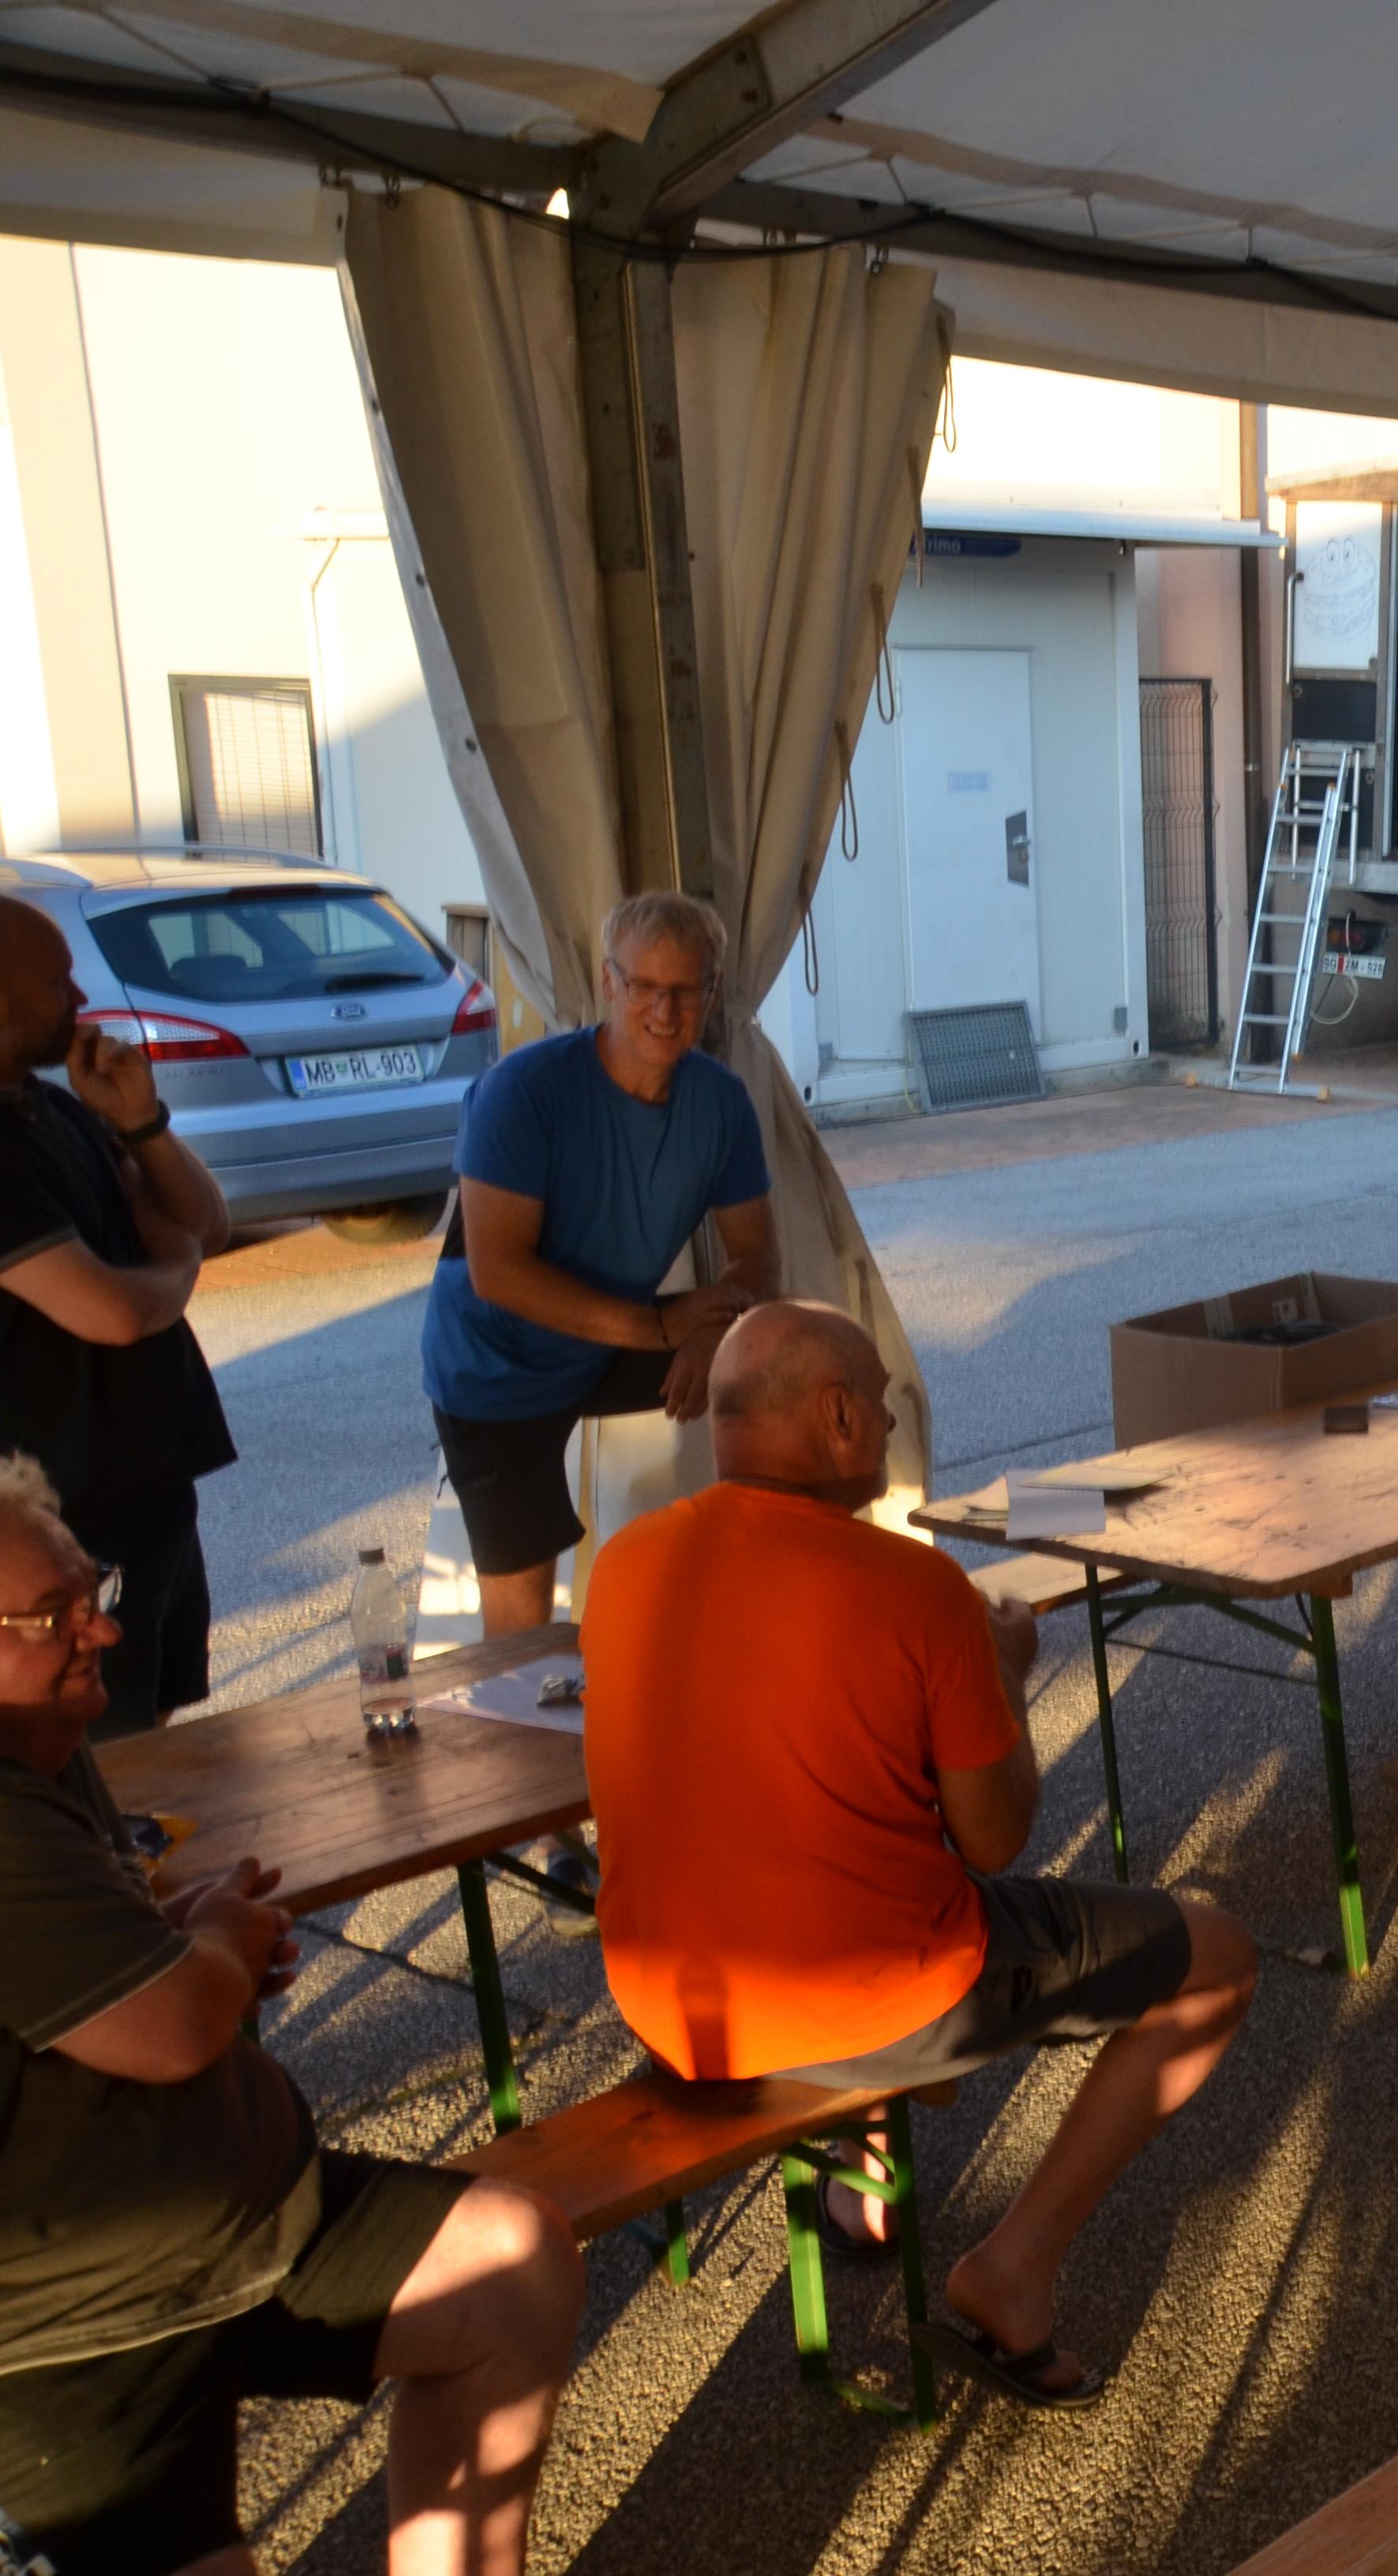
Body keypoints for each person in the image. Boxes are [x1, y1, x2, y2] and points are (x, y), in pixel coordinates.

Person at [579, 1302, 1257, 2409]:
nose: (894, 1420)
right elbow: (996, 1835)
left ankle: (867, 2192)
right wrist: (1007, 1674)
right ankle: (1014, 2272)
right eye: (882, 1400)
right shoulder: (915, 1587)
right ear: (838, 1418)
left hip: (669, 2002)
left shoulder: (624, 1564)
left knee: (840, 1861)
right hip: (868, 1997)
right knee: (1216, 1957)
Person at [0, 1454, 581, 2574]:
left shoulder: (46, 1742)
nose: (103, 1630)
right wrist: (215, 1948)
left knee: (516, 2265)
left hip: (247, 2223)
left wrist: (187, 1929)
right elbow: (176, 2029)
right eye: (54, 1615)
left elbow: (97, 1957)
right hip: (84, 2331)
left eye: (94, 1593)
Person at [421, 890, 778, 1645]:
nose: (665, 1010)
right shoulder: (524, 1090)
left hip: (617, 1334)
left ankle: (760, 1609)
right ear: (607, 981)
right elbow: (498, 1274)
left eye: (685, 990)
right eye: (644, 986)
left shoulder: (720, 1101)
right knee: (521, 1628)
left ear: (712, 991)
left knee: (789, 1362)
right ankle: (522, 1710)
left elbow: (758, 1253)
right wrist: (665, 1328)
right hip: (498, 1361)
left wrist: (714, 1334)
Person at [0, 897, 235, 1739]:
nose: (79, 999)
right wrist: (177, 1268)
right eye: (57, 981)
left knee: (157, 1722)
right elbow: (113, 1311)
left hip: (148, 1488)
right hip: (64, 1521)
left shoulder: (51, 1107)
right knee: (99, 1746)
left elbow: (204, 1219)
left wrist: (140, 1122)